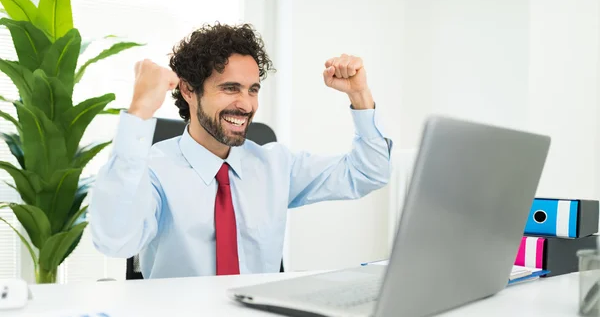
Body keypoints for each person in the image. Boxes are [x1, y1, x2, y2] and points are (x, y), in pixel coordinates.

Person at [90, 23, 393, 279]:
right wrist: (140, 110)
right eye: (230, 88)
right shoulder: (153, 170)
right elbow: (115, 241)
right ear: (188, 91)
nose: (246, 105)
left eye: (253, 89)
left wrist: (359, 94)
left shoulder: (275, 164)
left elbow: (369, 172)